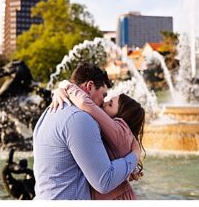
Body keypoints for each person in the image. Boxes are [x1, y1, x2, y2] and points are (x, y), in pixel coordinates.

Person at [32, 63, 140, 200]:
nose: (103, 101)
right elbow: (104, 181)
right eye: (103, 94)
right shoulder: (80, 119)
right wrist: (134, 157)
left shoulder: (48, 113)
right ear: (89, 86)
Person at [49, 80, 147, 200]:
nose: (104, 103)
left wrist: (64, 86)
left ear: (122, 114)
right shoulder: (119, 134)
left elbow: (86, 104)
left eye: (110, 104)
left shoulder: (119, 128)